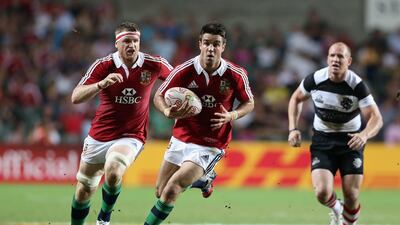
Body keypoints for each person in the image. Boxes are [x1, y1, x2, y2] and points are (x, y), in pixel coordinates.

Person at [143, 22, 254, 225]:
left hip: (211, 143)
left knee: (172, 189)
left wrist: (232, 115)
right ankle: (203, 180)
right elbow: (158, 95)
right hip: (181, 137)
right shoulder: (184, 70)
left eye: (216, 44)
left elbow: (249, 102)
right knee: (160, 190)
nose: (211, 48)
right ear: (200, 44)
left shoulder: (235, 74)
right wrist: (167, 110)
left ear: (223, 46)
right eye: (207, 43)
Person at [70, 22, 174, 225]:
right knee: (83, 190)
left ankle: (104, 218)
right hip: (99, 136)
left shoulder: (154, 63)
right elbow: (76, 97)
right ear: (116, 44)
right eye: (127, 41)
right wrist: (100, 84)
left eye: (135, 41)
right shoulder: (103, 65)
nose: (132, 45)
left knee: (114, 168)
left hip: (131, 135)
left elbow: (180, 78)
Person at [287, 42, 383, 225]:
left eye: (340, 56)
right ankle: (336, 208)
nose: (335, 60)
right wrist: (293, 128)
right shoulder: (315, 79)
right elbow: (296, 98)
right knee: (322, 193)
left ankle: (348, 222)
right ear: (327, 58)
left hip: (350, 141)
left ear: (349, 61)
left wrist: (364, 135)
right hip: (323, 140)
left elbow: (376, 118)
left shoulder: (357, 85)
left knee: (352, 195)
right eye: (332, 55)